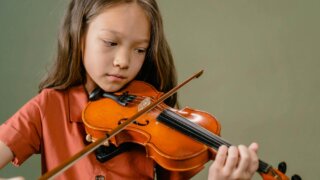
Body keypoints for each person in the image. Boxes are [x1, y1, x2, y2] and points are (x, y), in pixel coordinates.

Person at [0, 0, 259, 179]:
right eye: (111, 42)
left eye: (139, 49)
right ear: (80, 36)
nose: (123, 62)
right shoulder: (49, 107)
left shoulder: (156, 117)